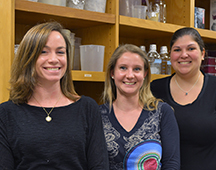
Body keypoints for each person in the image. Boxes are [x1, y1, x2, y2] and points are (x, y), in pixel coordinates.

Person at [0, 22, 109, 170]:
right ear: (28, 58)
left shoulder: (87, 108)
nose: (54, 59)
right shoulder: (6, 113)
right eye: (44, 52)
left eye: (60, 52)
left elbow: (99, 166)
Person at [99, 44, 180, 170]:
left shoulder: (162, 112)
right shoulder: (98, 115)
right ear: (112, 73)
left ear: (145, 74)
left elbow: (172, 164)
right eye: (123, 68)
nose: (130, 75)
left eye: (137, 69)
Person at [150, 27, 216, 170]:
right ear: (170, 55)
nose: (183, 55)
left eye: (191, 48)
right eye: (177, 50)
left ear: (203, 53)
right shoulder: (154, 89)